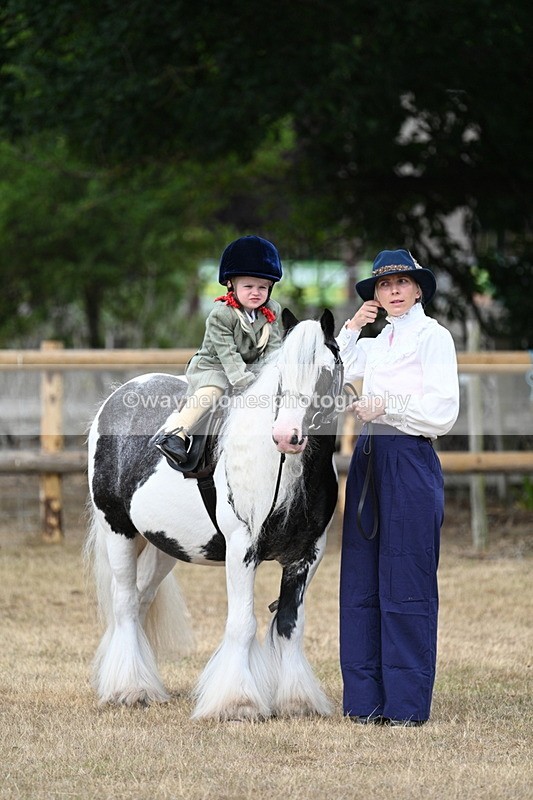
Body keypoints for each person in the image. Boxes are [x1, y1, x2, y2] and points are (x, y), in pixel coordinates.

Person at [337, 248, 459, 727]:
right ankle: (365, 702)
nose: (392, 291)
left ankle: (406, 706)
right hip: (369, 456)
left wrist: (386, 405)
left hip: (409, 455)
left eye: (401, 283)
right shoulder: (377, 339)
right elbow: (340, 370)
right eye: (384, 285)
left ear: (417, 288)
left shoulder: (434, 337)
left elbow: (442, 411)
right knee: (363, 578)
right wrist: (351, 329)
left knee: (406, 576)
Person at [154, 235, 283, 466]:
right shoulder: (220, 315)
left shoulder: (272, 310)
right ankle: (175, 432)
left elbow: (274, 349)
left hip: (251, 371)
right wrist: (246, 382)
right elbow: (228, 355)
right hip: (215, 367)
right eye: (249, 286)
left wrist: (272, 378)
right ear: (231, 284)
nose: (256, 292)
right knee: (214, 390)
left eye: (263, 287)